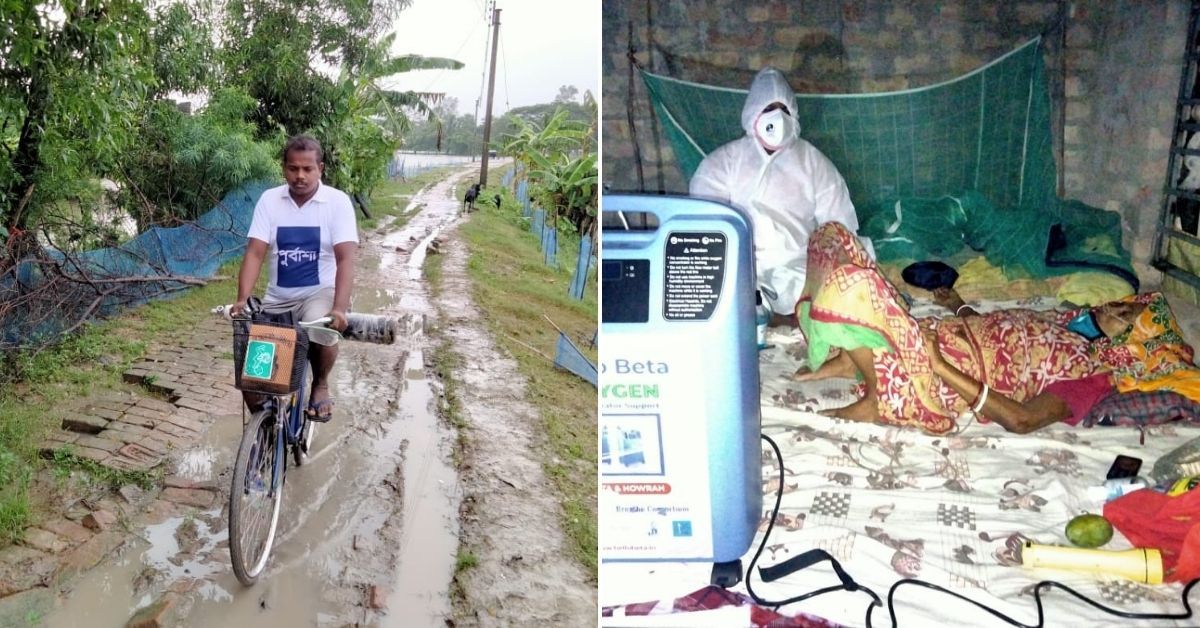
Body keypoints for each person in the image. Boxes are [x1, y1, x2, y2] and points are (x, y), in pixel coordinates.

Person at [794, 222, 1200, 434]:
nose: (1113, 306)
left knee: (857, 292)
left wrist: (938, 365)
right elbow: (1000, 331)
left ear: (1131, 341)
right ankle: (854, 362)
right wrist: (957, 304)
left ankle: (874, 396)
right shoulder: (1057, 321)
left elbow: (1021, 420)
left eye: (1126, 315)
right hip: (946, 339)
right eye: (1120, 302)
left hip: (945, 373)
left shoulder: (1090, 376)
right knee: (848, 263)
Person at [689, 66, 868, 322]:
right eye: (768, 109)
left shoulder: (813, 162)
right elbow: (705, 229)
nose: (777, 118)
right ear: (753, 113)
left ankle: (799, 316)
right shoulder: (721, 164)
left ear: (794, 114)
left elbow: (838, 223)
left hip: (799, 266)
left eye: (784, 110)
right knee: (729, 302)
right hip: (741, 267)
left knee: (846, 291)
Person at [232, 135, 359, 422]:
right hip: (278, 298)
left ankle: (320, 384)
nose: (299, 176)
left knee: (323, 330)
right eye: (293, 168)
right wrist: (242, 299)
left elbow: (346, 259)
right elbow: (255, 253)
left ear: (320, 168)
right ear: (284, 168)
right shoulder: (270, 200)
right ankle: (264, 429)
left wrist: (339, 308)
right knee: (253, 373)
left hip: (319, 293)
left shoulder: (337, 203)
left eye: (307, 169)